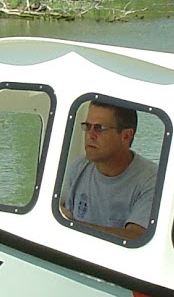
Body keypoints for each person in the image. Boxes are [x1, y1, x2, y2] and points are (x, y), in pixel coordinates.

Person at [59, 101, 158, 241]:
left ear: (126, 136)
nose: (90, 135)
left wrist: (72, 224)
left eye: (100, 128)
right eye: (87, 126)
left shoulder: (151, 180)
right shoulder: (79, 167)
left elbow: (138, 237)